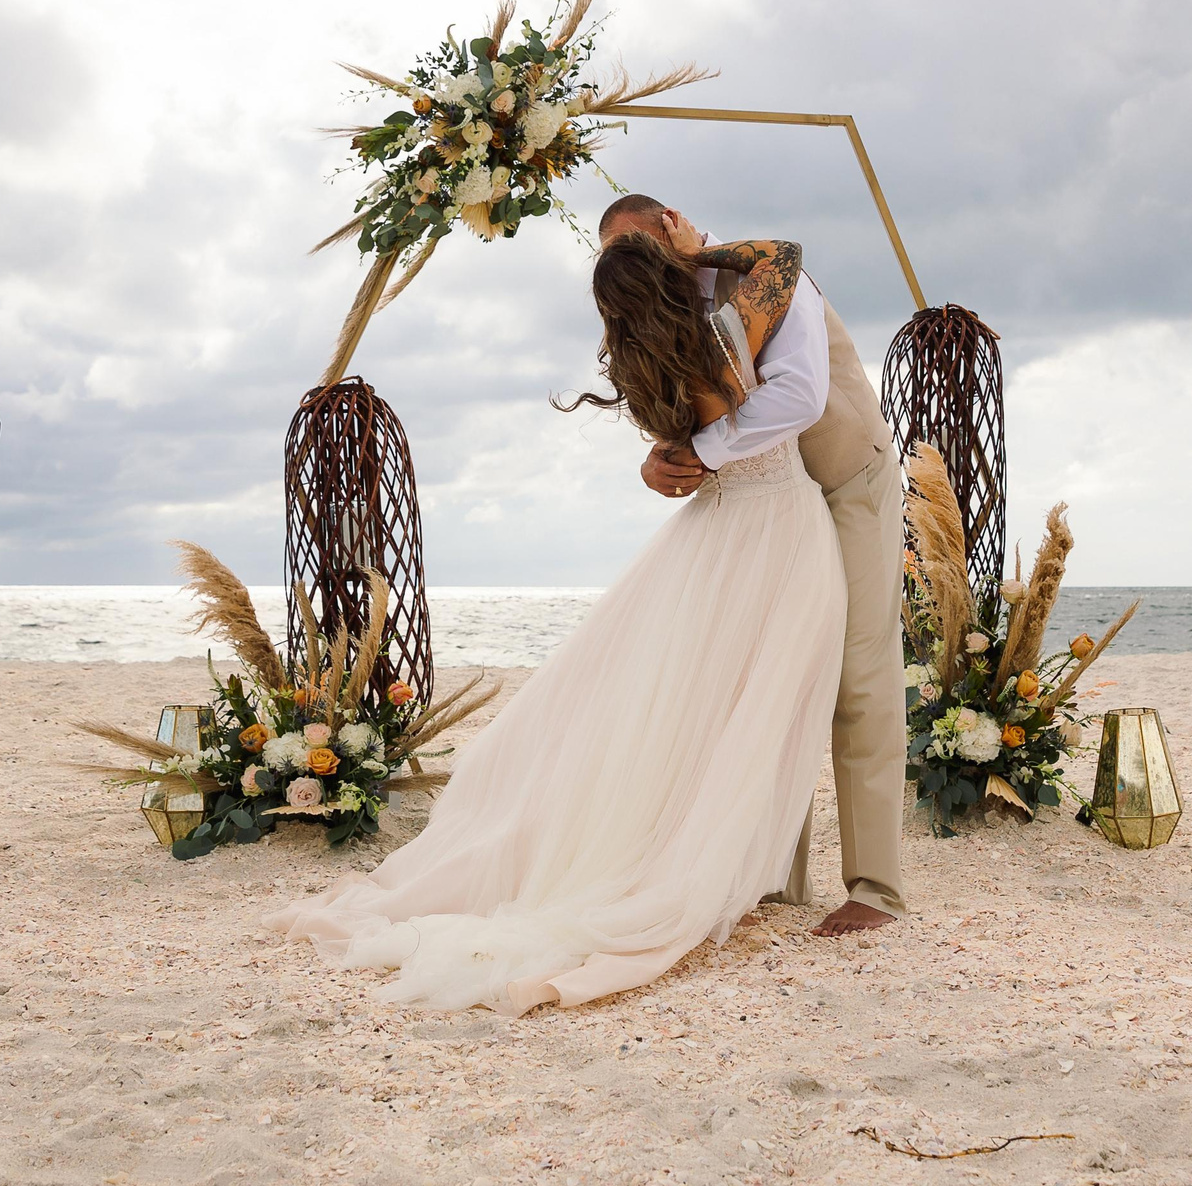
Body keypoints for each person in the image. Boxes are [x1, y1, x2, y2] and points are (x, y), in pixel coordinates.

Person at [267, 225, 844, 1011]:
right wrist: (699, 247)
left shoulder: (652, 374)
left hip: (713, 532)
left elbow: (678, 451)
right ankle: (716, 863)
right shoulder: (731, 328)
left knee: (685, 701)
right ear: (672, 276)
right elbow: (784, 254)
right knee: (756, 703)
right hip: (781, 524)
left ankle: (703, 850)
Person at [604, 194, 907, 939]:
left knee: (859, 677)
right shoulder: (660, 301)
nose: (635, 265)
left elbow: (800, 395)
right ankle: (777, 876)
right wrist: (659, 459)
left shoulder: (767, 274)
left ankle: (876, 886)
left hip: (847, 481)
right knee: (769, 676)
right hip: (769, 509)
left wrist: (702, 453)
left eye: (641, 247)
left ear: (673, 223)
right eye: (617, 257)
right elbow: (689, 409)